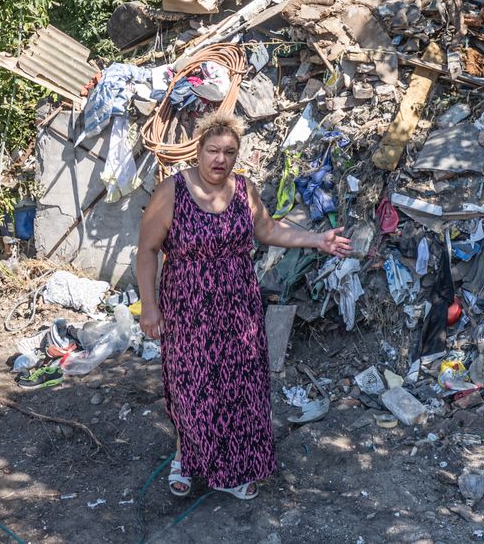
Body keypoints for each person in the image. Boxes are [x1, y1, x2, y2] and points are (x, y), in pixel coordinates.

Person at [136, 113, 351, 500]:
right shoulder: (173, 191)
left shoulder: (243, 190)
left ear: (237, 156)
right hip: (188, 310)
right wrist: (149, 307)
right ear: (198, 150)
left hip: (238, 309)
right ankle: (186, 458)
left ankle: (230, 470)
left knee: (238, 389)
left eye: (229, 152)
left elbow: (267, 230)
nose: (220, 159)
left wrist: (317, 240)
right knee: (192, 386)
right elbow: (147, 250)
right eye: (213, 150)